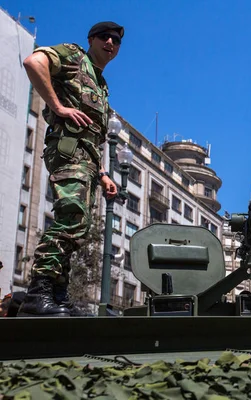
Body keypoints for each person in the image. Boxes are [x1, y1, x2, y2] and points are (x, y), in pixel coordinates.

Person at [18, 22, 125, 317]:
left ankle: (57, 294)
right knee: (72, 219)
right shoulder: (73, 56)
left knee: (78, 228)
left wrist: (103, 173)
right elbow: (33, 62)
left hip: (87, 161)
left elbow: (92, 135)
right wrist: (59, 106)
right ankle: (37, 293)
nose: (110, 43)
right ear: (91, 39)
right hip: (68, 152)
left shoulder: (100, 84)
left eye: (116, 41)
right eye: (104, 37)